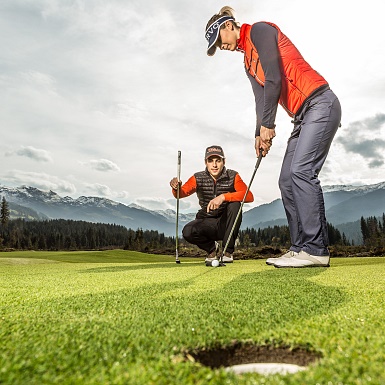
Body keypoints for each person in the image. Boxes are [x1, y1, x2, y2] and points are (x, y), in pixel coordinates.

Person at [205, 7, 342, 268]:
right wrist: (259, 133)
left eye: (219, 41)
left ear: (228, 26)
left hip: (320, 102)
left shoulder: (260, 31)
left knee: (302, 171)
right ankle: (300, 247)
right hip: (302, 115)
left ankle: (316, 249)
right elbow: (261, 99)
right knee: (286, 180)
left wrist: (269, 124)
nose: (221, 47)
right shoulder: (247, 62)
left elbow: (274, 77)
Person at [170, 145, 254, 264]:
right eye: (210, 161)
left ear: (223, 162)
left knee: (235, 204)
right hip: (207, 222)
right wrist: (175, 188)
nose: (214, 165)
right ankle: (212, 250)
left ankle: (227, 252)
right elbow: (180, 194)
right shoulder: (198, 177)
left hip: (225, 224)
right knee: (188, 231)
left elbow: (249, 196)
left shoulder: (233, 176)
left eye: (218, 161)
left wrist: (224, 197)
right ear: (206, 163)